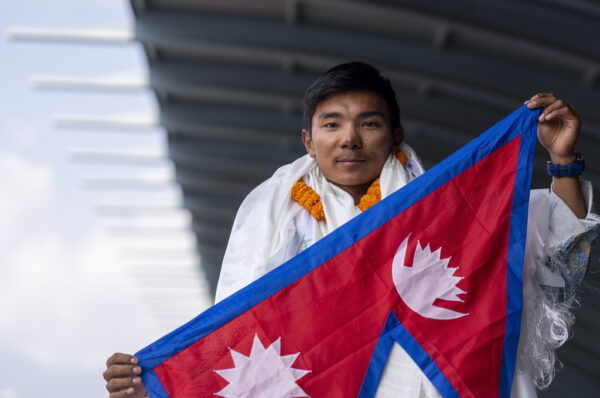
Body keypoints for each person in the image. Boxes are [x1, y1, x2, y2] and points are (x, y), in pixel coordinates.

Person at [104, 62, 599, 397]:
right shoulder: (272, 218)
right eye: (332, 124)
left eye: (368, 124)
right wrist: (160, 383)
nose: (349, 140)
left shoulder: (449, 209)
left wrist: (561, 159)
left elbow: (554, 238)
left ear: (395, 135)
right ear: (308, 138)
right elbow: (245, 338)